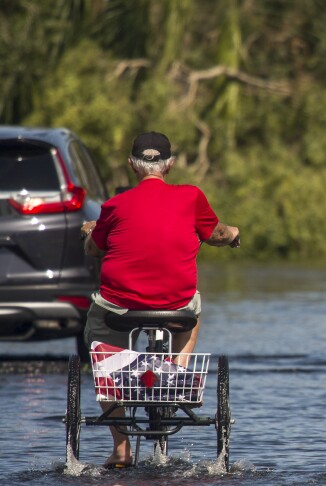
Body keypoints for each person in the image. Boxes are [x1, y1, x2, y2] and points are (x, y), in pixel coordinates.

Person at [81, 131, 240, 468]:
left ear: (132, 166)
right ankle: (177, 374)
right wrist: (233, 234)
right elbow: (216, 235)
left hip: (119, 307)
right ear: (169, 165)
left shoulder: (114, 205)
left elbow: (95, 249)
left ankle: (121, 448)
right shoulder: (191, 197)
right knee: (193, 305)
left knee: (101, 344)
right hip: (176, 308)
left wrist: (90, 232)